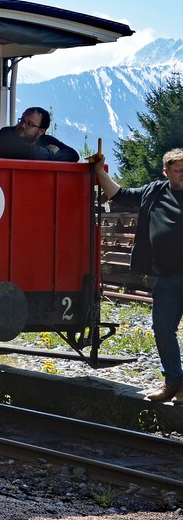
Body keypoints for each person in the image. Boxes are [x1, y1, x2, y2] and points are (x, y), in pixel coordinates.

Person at [94, 148, 183, 401]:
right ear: (166, 172)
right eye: (178, 170)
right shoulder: (154, 192)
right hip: (166, 278)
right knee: (163, 330)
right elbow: (119, 195)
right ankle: (172, 383)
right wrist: (99, 171)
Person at [0, 107, 79, 162]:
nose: (23, 125)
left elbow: (73, 155)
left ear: (41, 131)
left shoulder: (47, 140)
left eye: (30, 124)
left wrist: (48, 156)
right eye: (22, 120)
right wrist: (50, 152)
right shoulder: (6, 135)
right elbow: (32, 153)